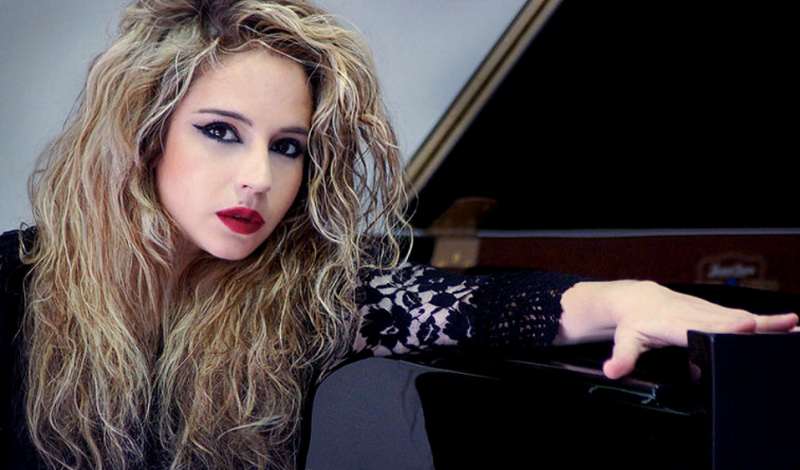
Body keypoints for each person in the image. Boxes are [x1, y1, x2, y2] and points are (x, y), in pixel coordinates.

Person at [1, 0, 796, 469]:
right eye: (220, 131)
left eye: (288, 147)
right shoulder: (15, 281)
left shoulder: (303, 302)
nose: (258, 177)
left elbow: (481, 306)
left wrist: (626, 297)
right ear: (143, 134)